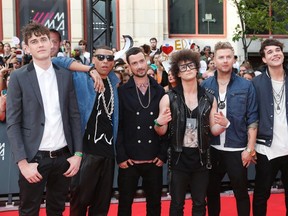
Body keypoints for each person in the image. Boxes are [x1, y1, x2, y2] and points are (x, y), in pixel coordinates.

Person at [6, 22, 82, 216]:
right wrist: (23, 164)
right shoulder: (18, 77)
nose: (39, 44)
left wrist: (78, 155)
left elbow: (74, 116)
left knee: (57, 210)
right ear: (27, 48)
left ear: (51, 44)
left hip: (64, 158)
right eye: (33, 41)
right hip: (34, 159)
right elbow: (13, 123)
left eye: (43, 39)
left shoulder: (65, 75)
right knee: (29, 211)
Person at [154, 49, 229, 215]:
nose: (187, 69)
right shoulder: (169, 98)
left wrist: (224, 124)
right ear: (177, 73)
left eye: (190, 65)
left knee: (200, 204)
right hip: (178, 158)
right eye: (182, 67)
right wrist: (158, 123)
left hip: (201, 158)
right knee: (176, 204)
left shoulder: (209, 98)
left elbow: (214, 130)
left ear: (197, 69)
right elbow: (161, 131)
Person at [201, 41, 258, 216]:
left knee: (241, 192)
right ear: (214, 60)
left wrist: (250, 148)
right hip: (213, 148)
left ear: (234, 60)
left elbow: (253, 119)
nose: (225, 60)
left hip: (237, 148)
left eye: (228, 57)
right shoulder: (205, 86)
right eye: (221, 57)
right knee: (211, 192)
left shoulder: (246, 85)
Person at [116, 47, 167, 216]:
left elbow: (167, 122)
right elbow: (119, 126)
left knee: (154, 206)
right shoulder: (122, 92)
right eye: (134, 63)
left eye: (141, 61)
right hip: (129, 160)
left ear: (147, 61)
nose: (139, 66)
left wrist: (162, 154)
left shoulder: (159, 90)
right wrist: (121, 156)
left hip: (153, 160)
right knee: (124, 205)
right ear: (129, 67)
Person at [70, 46, 119, 216]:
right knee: (80, 202)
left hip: (108, 154)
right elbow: (57, 62)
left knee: (102, 205)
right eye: (100, 57)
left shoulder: (114, 81)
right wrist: (89, 69)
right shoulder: (81, 78)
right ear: (93, 59)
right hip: (87, 152)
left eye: (109, 58)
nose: (105, 61)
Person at [252, 38, 288, 216]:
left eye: (277, 50)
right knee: (261, 195)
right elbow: (251, 116)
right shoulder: (255, 84)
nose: (275, 54)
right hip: (266, 148)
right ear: (264, 59)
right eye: (270, 52)